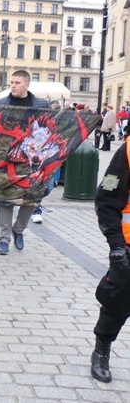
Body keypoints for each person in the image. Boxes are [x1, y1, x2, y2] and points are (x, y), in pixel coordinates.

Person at [0, 70, 49, 255]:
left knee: (31, 199)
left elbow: (49, 129)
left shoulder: (42, 105)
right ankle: (4, 239)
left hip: (34, 161)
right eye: (12, 82)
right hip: (9, 159)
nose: (13, 85)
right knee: (6, 200)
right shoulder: (1, 104)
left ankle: (18, 230)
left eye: (17, 82)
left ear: (27, 84)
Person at [90, 136, 130, 383]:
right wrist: (116, 244)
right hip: (128, 246)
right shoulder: (129, 149)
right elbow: (106, 199)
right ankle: (101, 349)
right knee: (118, 302)